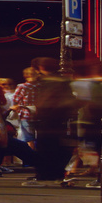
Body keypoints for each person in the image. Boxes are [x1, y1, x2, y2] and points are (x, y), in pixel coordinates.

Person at [23, 57, 78, 185]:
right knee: (57, 147)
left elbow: (45, 101)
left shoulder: (45, 82)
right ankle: (57, 173)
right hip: (60, 119)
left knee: (44, 147)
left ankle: (44, 174)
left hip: (48, 118)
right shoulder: (63, 80)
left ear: (41, 68)